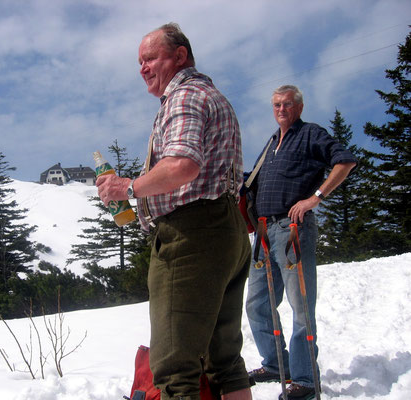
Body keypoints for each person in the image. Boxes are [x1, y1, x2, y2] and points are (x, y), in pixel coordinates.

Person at [96, 23, 253, 400]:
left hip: (191, 236)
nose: (142, 68)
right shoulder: (213, 95)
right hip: (228, 229)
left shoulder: (183, 97)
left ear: (179, 56)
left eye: (150, 58)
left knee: (174, 368)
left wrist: (128, 187)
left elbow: (183, 165)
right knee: (223, 360)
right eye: (139, 62)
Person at [246, 85, 357, 400]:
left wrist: (315, 198)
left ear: (300, 106)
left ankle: (306, 381)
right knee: (257, 303)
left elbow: (345, 161)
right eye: (277, 105)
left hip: (293, 229)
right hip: (264, 232)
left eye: (288, 104)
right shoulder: (271, 143)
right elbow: (253, 181)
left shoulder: (311, 134)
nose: (281, 109)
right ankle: (275, 365)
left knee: (300, 307)